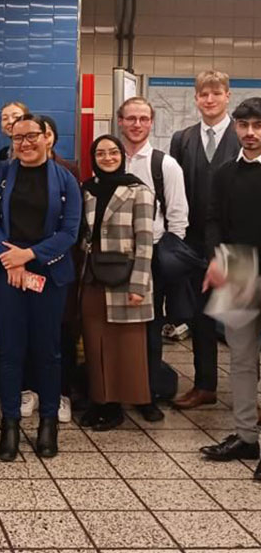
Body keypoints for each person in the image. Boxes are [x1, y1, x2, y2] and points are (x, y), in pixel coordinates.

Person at [0, 114, 81, 461]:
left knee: (48, 354)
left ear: (47, 138)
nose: (24, 143)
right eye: (17, 137)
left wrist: (31, 255)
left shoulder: (66, 179)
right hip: (8, 275)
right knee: (10, 353)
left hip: (49, 277)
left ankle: (48, 424)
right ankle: (9, 425)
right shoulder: (2, 173)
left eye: (31, 136)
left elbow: (70, 232)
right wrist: (12, 258)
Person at [170, 70, 240, 410]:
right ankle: (204, 385)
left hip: (236, 245)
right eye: (203, 94)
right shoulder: (182, 139)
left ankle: (249, 393)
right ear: (195, 98)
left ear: (228, 96)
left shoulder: (245, 139)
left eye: (216, 93)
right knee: (200, 317)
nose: (209, 100)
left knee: (241, 319)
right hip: (195, 245)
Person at [200, 97, 261, 481]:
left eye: (257, 126)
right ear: (235, 128)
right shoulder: (223, 174)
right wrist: (217, 258)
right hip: (238, 269)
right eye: (244, 126)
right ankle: (246, 435)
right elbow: (212, 220)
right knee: (240, 359)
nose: (251, 133)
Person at [119, 96, 189, 421]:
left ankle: (147, 394)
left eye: (143, 118)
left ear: (151, 123)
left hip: (152, 259)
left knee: (149, 328)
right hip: (114, 260)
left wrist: (166, 257)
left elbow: (178, 217)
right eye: (130, 118)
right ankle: (117, 392)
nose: (136, 124)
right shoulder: (110, 158)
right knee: (117, 328)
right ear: (120, 122)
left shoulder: (165, 164)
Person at [79, 135, 155, 430]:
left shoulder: (138, 191)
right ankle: (100, 400)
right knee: (95, 343)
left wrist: (139, 286)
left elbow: (146, 242)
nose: (107, 157)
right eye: (100, 153)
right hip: (92, 276)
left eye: (113, 152)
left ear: (122, 156)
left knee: (125, 346)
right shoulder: (88, 190)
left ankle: (117, 406)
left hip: (126, 278)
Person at [21, 115, 82, 423]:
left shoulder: (68, 172)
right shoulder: (14, 173)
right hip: (23, 268)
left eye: (41, 134)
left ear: (51, 138)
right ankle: (30, 389)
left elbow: (72, 228)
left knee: (60, 334)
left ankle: (60, 394)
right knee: (27, 332)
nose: (34, 140)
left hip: (57, 266)